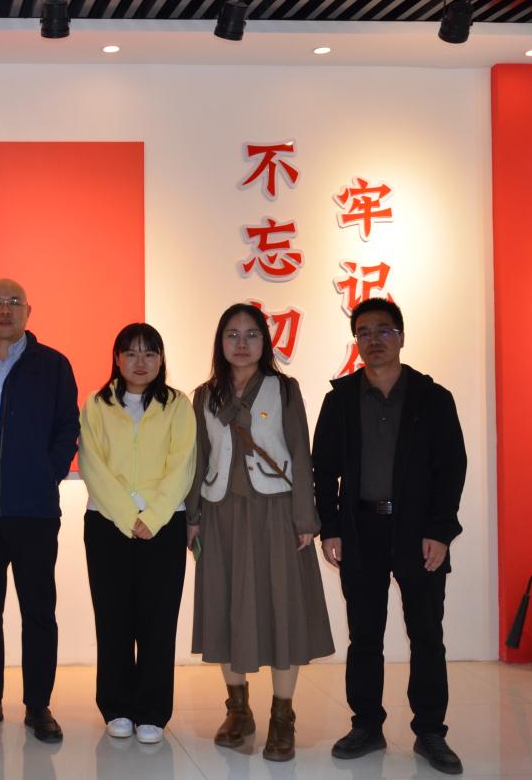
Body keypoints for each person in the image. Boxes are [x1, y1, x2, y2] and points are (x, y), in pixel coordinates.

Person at [312, 298, 466, 776]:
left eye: (383, 330)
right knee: (364, 635)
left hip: (418, 533)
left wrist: (440, 531)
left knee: (427, 634)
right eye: (363, 332)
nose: (373, 340)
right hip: (360, 530)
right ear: (355, 342)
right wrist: (331, 527)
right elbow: (323, 471)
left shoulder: (432, 397)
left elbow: (451, 468)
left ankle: (431, 731)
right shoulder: (340, 399)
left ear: (401, 337)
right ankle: (366, 725)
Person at [186, 302, 333, 762]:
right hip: (220, 514)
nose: (242, 343)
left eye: (251, 334)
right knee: (225, 606)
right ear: (220, 342)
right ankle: (238, 711)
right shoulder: (203, 395)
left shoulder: (284, 389)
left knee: (281, 608)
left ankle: (282, 716)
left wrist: (305, 518)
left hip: (275, 513)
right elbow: (198, 458)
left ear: (265, 341)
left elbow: (301, 453)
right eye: (232, 334)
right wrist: (192, 517)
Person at [0, 278, 78, 742]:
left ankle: (38, 705)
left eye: (14, 302)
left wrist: (48, 474)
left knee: (38, 611)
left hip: (34, 512)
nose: (5, 310)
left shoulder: (53, 366)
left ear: (29, 311)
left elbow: (67, 426)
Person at [79, 323, 196, 745]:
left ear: (161, 359)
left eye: (150, 353)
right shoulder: (97, 404)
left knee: (158, 619)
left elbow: (183, 463)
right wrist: (129, 516)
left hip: (164, 526)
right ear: (117, 358)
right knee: (112, 618)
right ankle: (116, 706)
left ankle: (152, 710)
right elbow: (92, 464)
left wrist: (156, 514)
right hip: (107, 524)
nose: (140, 361)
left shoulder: (177, 405)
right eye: (130, 353)